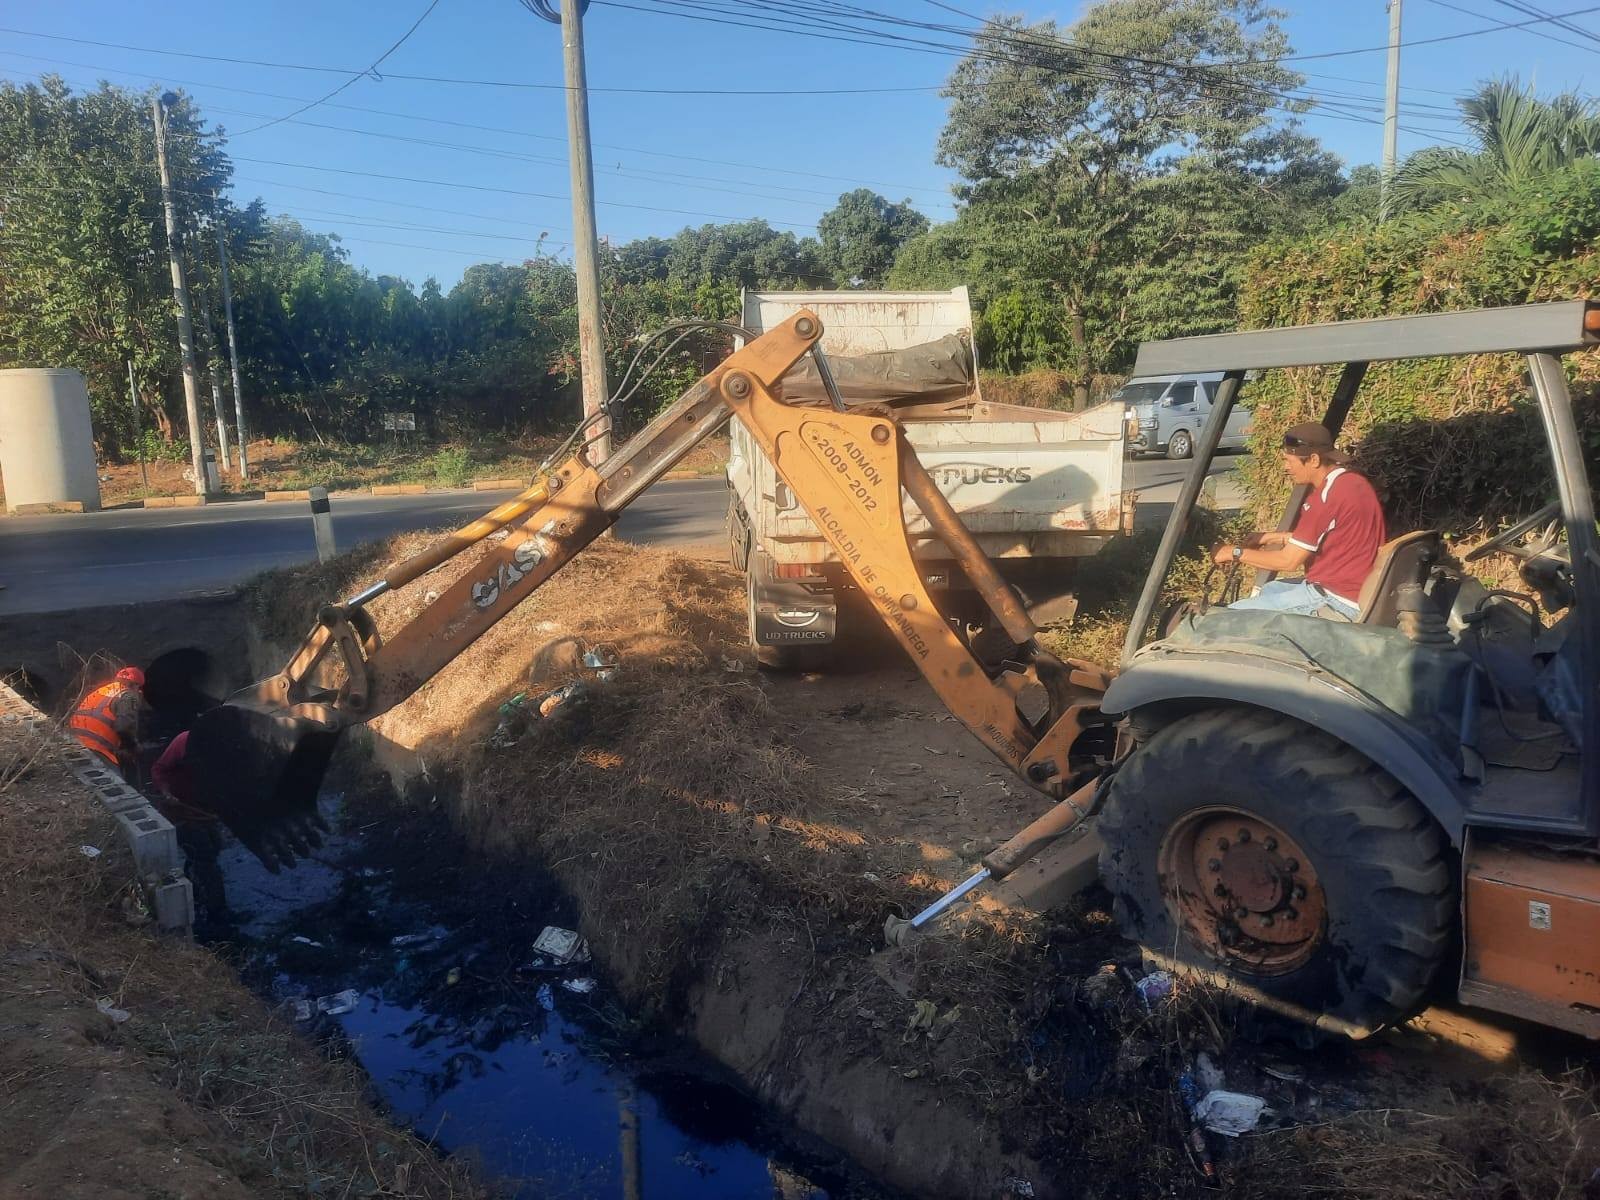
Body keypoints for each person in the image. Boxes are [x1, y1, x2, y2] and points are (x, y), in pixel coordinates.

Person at [1210, 422, 1387, 620]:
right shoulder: (1352, 482)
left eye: (1289, 461)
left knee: (1226, 616)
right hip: (1353, 588)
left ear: (1313, 459)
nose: (1285, 468)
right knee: (1269, 589)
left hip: (1337, 599)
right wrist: (1272, 537)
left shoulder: (1326, 498)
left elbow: (1288, 561)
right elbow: (1330, 536)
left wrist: (1233, 552)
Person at [150, 730, 229, 928]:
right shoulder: (183, 742)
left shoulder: (225, 748)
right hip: (180, 811)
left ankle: (193, 889)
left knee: (215, 847)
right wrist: (166, 793)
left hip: (203, 810)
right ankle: (218, 914)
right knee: (206, 858)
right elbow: (159, 769)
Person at [68, 666, 148, 776]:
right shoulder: (128, 696)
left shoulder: (100, 691)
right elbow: (124, 727)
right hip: (96, 748)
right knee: (117, 782)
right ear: (135, 685)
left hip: (73, 743)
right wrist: (133, 746)